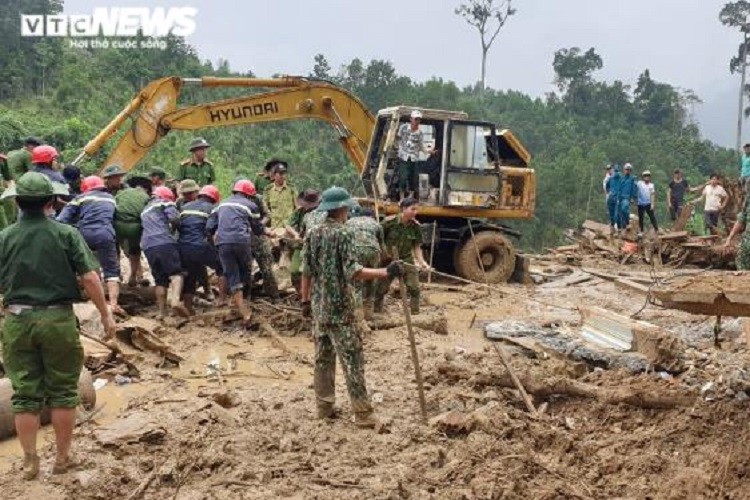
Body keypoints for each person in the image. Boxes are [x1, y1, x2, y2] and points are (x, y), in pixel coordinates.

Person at [0, 172, 115, 480]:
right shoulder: (65, 233)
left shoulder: (4, 237)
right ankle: (62, 459)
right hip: (58, 319)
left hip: (17, 321)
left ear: (18, 203)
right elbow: (91, 277)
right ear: (51, 201)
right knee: (64, 392)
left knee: (24, 396)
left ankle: (29, 461)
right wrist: (105, 313)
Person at [300, 186, 403, 428]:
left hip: (319, 307)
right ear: (342, 209)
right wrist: (385, 271)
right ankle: (363, 414)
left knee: (323, 358)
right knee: (353, 359)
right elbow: (354, 272)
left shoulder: (313, 233)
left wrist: (305, 301)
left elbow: (307, 272)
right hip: (341, 309)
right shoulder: (344, 234)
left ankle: (324, 408)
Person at [57, 176, 124, 314]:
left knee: (84, 267)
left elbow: (61, 220)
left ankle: (89, 299)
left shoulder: (79, 198)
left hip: (84, 234)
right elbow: (117, 218)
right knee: (111, 271)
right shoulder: (111, 198)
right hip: (105, 233)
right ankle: (113, 304)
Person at [207, 180, 265, 325]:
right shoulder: (251, 205)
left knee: (232, 274)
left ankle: (237, 304)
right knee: (245, 271)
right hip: (241, 242)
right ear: (249, 194)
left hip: (223, 243)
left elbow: (209, 227)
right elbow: (257, 229)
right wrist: (266, 231)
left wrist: (214, 240)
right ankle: (244, 309)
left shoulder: (219, 205)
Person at [374, 197, 431, 315]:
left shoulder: (416, 227)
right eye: (413, 209)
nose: (415, 212)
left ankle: (415, 314)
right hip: (388, 260)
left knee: (415, 289)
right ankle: (376, 313)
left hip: (406, 259)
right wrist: (383, 253)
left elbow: (416, 247)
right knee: (380, 289)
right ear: (404, 209)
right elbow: (377, 239)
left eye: (417, 209)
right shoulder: (388, 222)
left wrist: (422, 262)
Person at [140, 186, 187, 318]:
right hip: (163, 241)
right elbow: (174, 219)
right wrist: (178, 230)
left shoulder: (144, 210)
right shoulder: (165, 202)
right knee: (175, 273)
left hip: (148, 245)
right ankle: (175, 301)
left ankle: (162, 312)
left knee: (160, 280)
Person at [178, 185, 226, 314]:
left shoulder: (184, 207)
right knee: (222, 268)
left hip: (183, 247)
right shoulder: (213, 209)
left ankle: (187, 306)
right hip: (201, 245)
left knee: (190, 276)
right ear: (214, 198)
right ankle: (222, 301)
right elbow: (214, 230)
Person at [346, 205, 384, 320]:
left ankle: (358, 313)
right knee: (372, 280)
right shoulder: (376, 223)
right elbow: (381, 244)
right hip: (373, 251)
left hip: (355, 250)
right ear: (371, 215)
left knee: (356, 280)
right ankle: (369, 312)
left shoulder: (349, 222)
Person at [115, 177, 151, 287]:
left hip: (118, 225)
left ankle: (117, 275)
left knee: (120, 250)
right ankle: (134, 276)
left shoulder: (121, 193)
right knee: (135, 251)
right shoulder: (145, 196)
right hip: (135, 227)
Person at [397, 110, 437, 200]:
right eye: (416, 119)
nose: (417, 121)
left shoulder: (420, 133)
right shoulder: (403, 128)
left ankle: (411, 197)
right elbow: (398, 138)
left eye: (419, 120)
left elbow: (421, 147)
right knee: (403, 177)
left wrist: (430, 151)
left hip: (414, 158)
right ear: (411, 119)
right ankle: (402, 198)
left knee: (413, 179)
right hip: (403, 157)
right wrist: (398, 147)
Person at [286, 189, 321, 292]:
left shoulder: (321, 212)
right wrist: (296, 235)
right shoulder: (300, 211)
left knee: (312, 272)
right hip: (300, 245)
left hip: (316, 247)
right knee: (295, 271)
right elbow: (288, 225)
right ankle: (301, 293)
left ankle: (310, 295)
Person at [263, 162, 298, 229]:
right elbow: (265, 206)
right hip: (275, 226)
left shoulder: (291, 188)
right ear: (274, 175)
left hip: (289, 227)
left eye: (284, 174)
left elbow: (297, 207)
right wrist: (271, 216)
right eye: (280, 174)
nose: (283, 176)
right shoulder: (268, 190)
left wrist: (292, 219)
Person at [726, 188, 750, 270]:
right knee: (741, 262)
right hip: (747, 243)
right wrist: (729, 238)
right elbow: (741, 220)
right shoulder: (748, 198)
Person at [615, 163, 638, 235]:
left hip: (627, 197)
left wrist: (633, 198)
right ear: (624, 170)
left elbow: (634, 189)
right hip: (620, 197)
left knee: (624, 208)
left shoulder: (632, 179)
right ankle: (621, 228)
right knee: (618, 214)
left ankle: (627, 223)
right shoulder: (621, 178)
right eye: (626, 169)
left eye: (629, 170)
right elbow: (618, 188)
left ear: (631, 171)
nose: (628, 171)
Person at [636, 170, 658, 235]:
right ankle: (641, 230)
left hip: (648, 203)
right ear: (643, 177)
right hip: (640, 203)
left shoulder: (651, 185)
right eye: (645, 176)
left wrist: (652, 204)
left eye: (648, 176)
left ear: (650, 177)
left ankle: (656, 229)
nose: (647, 177)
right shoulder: (640, 183)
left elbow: (652, 195)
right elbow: (634, 184)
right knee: (641, 217)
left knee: (652, 217)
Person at [605, 165, 621, 231]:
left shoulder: (619, 176)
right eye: (607, 169)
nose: (609, 170)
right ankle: (612, 226)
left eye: (610, 169)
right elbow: (607, 186)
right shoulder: (610, 178)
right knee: (611, 213)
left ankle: (619, 228)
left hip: (618, 197)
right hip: (611, 198)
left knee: (616, 215)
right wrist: (609, 192)